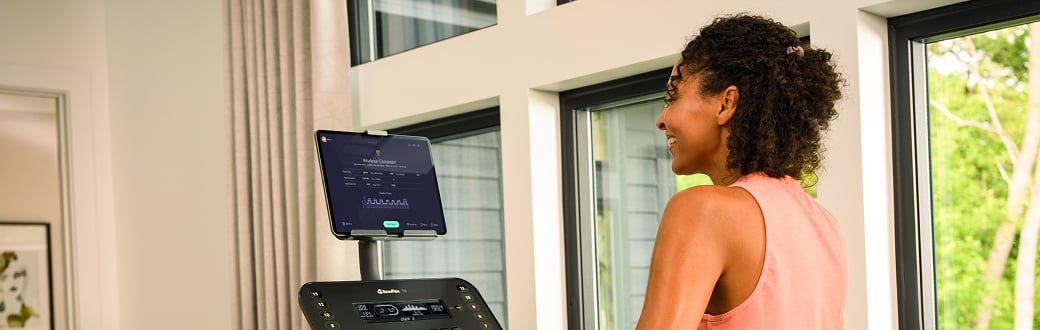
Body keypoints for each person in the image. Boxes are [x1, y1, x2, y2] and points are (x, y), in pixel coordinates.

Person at [636, 13, 848, 329]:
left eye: (672, 96)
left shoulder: (702, 210)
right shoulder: (825, 224)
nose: (661, 119)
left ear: (726, 103)